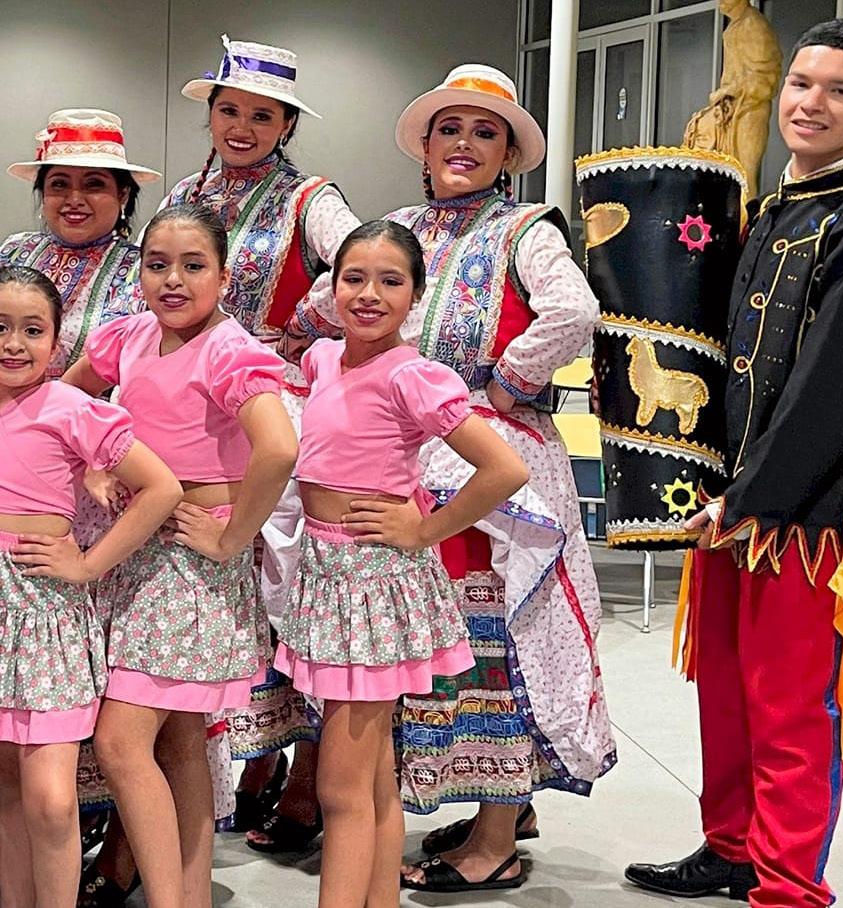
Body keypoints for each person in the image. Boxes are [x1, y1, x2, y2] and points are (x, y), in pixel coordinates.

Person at [624, 20, 843, 906]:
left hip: (810, 510)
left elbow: (832, 393)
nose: (812, 103)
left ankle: (788, 887)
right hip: (732, 497)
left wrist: (750, 496)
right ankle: (732, 848)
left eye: (840, 90)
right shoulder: (770, 210)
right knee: (724, 689)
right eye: (801, 83)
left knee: (791, 705)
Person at [299, 64, 613, 893]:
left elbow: (575, 310)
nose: (464, 144)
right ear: (426, 145)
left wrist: (508, 380)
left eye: (484, 132)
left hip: (484, 450)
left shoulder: (526, 229)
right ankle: (447, 817)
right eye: (450, 129)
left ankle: (496, 833)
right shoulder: (400, 228)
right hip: (403, 451)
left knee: (496, 641)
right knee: (418, 653)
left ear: (508, 153)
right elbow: (322, 306)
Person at [0, 266, 182, 908]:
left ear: (57, 342)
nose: (14, 344)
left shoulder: (75, 408)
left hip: (41, 610)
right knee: (9, 786)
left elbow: (160, 488)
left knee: (53, 800)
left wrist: (89, 564)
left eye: (33, 330)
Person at [63, 204, 297, 908]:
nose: (173, 280)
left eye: (193, 266)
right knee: (180, 742)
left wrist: (231, 538)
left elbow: (278, 448)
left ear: (224, 277)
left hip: (187, 561)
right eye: (157, 264)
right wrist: (95, 464)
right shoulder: (130, 336)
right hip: (141, 551)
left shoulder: (228, 350)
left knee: (121, 743)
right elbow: (68, 402)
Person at [162, 35, 364, 850]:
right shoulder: (186, 192)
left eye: (262, 115)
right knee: (211, 591)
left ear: (286, 125)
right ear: (211, 114)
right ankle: (248, 762)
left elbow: (359, 258)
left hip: (271, 401)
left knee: (286, 587)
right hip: (192, 405)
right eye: (230, 111)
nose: (242, 127)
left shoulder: (310, 198)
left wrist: (303, 322)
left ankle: (305, 776)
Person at [287, 220, 527, 904]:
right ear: (332, 287)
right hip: (326, 576)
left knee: (340, 786)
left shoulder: (414, 376)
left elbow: (503, 469)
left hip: (373, 582)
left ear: (416, 294)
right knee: (370, 777)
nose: (369, 294)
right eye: (354, 278)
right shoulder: (322, 360)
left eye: (390, 281)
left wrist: (424, 529)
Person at [0, 108, 158, 395]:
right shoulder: (13, 253)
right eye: (59, 184)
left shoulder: (143, 272)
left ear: (123, 194)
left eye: (94, 184)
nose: (74, 199)